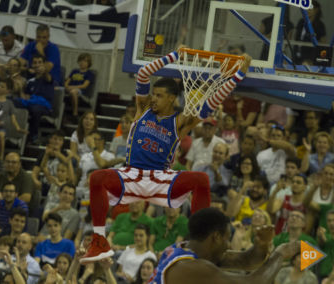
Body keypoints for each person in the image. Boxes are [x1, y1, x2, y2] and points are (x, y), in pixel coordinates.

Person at [81, 50, 252, 263]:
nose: (153, 98)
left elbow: (210, 103)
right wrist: (173, 56)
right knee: (97, 178)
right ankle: (100, 241)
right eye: (153, 94)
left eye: (159, 95)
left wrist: (238, 76)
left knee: (200, 180)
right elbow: (143, 73)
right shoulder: (142, 108)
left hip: (160, 178)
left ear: (172, 98)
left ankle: (200, 239)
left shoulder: (180, 121)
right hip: (131, 173)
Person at [151, 207, 299, 284]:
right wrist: (280, 254)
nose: (228, 245)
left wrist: (261, 245)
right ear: (216, 237)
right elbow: (254, 282)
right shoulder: (190, 267)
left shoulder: (184, 249)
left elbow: (247, 261)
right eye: (227, 239)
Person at [0, 78, 27, 164]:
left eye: (2, 87)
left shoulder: (9, 103)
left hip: (0, 127)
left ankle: (0, 157)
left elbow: (13, 118)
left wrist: (18, 128)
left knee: (1, 134)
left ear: (8, 91)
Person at [17, 54, 55, 142]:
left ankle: (33, 135)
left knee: (35, 109)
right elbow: (25, 97)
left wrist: (45, 70)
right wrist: (20, 89)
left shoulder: (48, 77)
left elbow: (48, 77)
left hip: (44, 107)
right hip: (31, 103)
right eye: (35, 63)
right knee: (13, 103)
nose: (37, 65)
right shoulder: (30, 81)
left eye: (40, 62)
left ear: (44, 64)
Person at [294, 0, 326, 65]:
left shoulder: (320, 25)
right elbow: (295, 38)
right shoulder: (301, 22)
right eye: (307, 8)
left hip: (310, 60)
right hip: (296, 57)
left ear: (316, 10)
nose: (308, 10)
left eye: (310, 8)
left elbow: (323, 44)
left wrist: (315, 60)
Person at [64, 53, 95, 119]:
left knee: (73, 92)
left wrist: (70, 87)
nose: (82, 63)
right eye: (81, 61)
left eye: (85, 61)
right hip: (69, 89)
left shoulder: (89, 74)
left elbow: (84, 86)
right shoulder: (74, 71)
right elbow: (66, 83)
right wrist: (66, 86)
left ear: (88, 63)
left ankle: (75, 113)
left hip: (81, 91)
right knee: (56, 89)